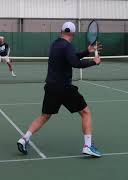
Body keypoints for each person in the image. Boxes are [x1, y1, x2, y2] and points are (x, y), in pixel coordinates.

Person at [17, 22, 102, 157]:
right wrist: (94, 62)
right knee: (86, 113)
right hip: (64, 88)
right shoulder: (67, 46)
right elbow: (75, 63)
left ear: (61, 31)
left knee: (45, 116)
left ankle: (24, 138)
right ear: (73, 34)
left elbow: (71, 58)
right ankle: (88, 146)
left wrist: (87, 51)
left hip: (51, 87)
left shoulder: (55, 44)